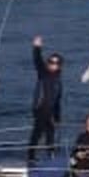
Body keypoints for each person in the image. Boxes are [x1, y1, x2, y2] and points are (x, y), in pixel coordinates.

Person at [27, 36, 63, 165]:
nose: (54, 65)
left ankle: (50, 155)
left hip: (50, 111)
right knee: (37, 131)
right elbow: (37, 61)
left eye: (57, 63)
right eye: (52, 62)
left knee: (50, 132)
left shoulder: (58, 81)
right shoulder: (44, 73)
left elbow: (57, 101)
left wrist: (58, 117)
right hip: (40, 108)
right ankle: (31, 156)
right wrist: (37, 47)